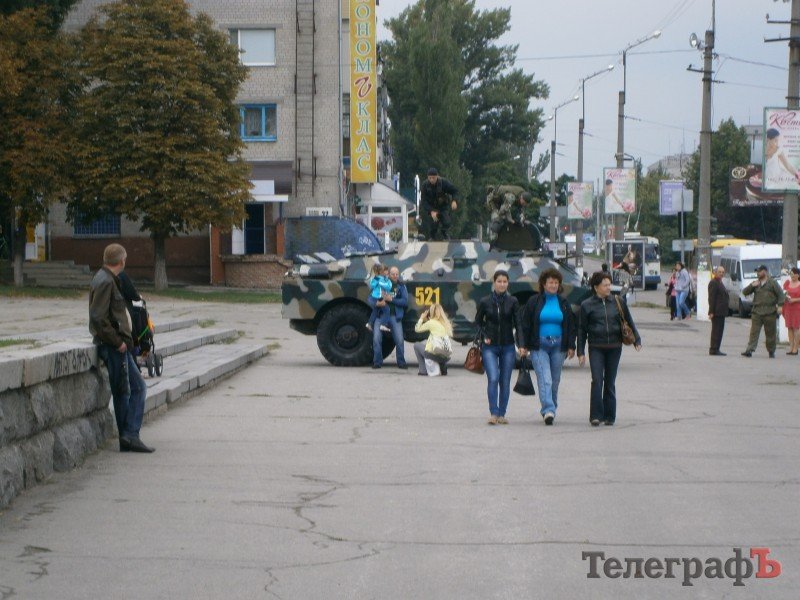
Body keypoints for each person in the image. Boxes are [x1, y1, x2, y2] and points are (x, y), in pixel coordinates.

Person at [89, 244, 154, 453]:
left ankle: (129, 436)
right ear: (122, 261)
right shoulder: (105, 281)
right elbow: (98, 317)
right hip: (113, 346)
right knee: (126, 390)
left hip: (119, 345)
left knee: (133, 388)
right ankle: (129, 436)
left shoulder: (108, 278)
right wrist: (118, 342)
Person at [577, 271, 642, 426]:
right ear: (596, 287)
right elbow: (581, 330)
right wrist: (580, 352)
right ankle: (595, 415)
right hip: (596, 347)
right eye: (605, 285)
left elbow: (629, 321)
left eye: (609, 284)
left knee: (610, 382)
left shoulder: (618, 301)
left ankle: (610, 415)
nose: (608, 287)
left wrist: (637, 340)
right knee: (597, 380)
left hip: (614, 347)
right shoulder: (587, 305)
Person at [521, 268, 576, 425]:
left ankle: (551, 408)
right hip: (539, 345)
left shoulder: (563, 303)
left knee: (555, 380)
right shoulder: (534, 301)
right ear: (544, 284)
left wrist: (571, 346)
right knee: (545, 379)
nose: (553, 285)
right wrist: (523, 345)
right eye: (550, 282)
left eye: (556, 282)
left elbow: (570, 325)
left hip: (559, 346)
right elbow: (525, 324)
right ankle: (548, 410)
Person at [474, 270, 525, 425]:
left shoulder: (513, 301)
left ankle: (502, 413)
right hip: (490, 347)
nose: (502, 284)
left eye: (505, 282)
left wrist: (521, 345)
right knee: (493, 378)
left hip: (508, 346)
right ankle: (493, 413)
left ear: (508, 283)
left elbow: (518, 324)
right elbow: (477, 322)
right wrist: (484, 335)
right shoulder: (485, 301)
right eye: (499, 281)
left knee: (505, 380)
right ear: (494, 283)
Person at [741, 264, 785, 358]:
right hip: (757, 311)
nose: (757, 273)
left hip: (769, 312)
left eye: (759, 271)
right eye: (757, 271)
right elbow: (744, 292)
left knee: (770, 333)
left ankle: (771, 351)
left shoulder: (772, 283)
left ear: (764, 272)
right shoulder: (756, 283)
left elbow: (781, 295)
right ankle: (749, 350)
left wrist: (780, 306)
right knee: (754, 332)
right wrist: (752, 285)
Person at [372, 266, 408, 369]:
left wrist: (391, 299)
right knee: (376, 339)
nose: (395, 276)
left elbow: (405, 302)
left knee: (399, 340)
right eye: (393, 274)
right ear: (389, 274)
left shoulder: (401, 286)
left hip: (394, 316)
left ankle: (401, 362)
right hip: (381, 316)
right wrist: (377, 303)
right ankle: (377, 362)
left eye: (397, 274)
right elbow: (371, 299)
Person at [413, 303, 454, 376]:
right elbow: (435, 327)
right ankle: (442, 366)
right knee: (438, 347)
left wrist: (422, 318)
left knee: (417, 345)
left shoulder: (431, 323)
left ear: (431, 312)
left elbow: (417, 329)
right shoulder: (445, 323)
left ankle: (423, 370)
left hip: (433, 355)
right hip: (445, 356)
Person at [419, 167, 459, 240]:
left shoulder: (443, 183)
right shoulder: (425, 185)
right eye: (430, 178)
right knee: (433, 224)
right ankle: (432, 237)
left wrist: (454, 201)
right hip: (432, 208)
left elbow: (454, 191)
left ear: (437, 176)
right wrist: (431, 211)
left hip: (443, 206)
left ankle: (444, 232)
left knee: (447, 222)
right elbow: (424, 201)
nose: (431, 180)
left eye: (433, 178)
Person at [708, 265, 730, 356]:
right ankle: (714, 349)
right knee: (716, 331)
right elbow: (711, 298)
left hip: (721, 311)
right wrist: (711, 312)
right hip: (716, 311)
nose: (721, 274)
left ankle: (716, 348)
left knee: (719, 331)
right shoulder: (713, 282)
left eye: (722, 272)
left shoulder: (720, 282)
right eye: (719, 272)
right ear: (715, 273)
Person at [366, 263, 392, 332]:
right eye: (386, 270)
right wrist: (383, 281)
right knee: (387, 310)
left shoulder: (379, 278)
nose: (387, 272)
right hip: (378, 297)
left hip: (377, 297)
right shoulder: (380, 278)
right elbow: (387, 287)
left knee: (375, 310)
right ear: (381, 271)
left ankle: (369, 324)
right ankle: (383, 324)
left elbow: (373, 285)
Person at [783, 267, 800, 355]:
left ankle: (796, 348)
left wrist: (795, 300)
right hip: (788, 308)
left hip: (797, 308)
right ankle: (791, 347)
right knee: (789, 327)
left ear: (798, 275)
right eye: (791, 274)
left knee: (796, 328)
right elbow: (784, 292)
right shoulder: (787, 283)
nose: (792, 276)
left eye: (793, 274)